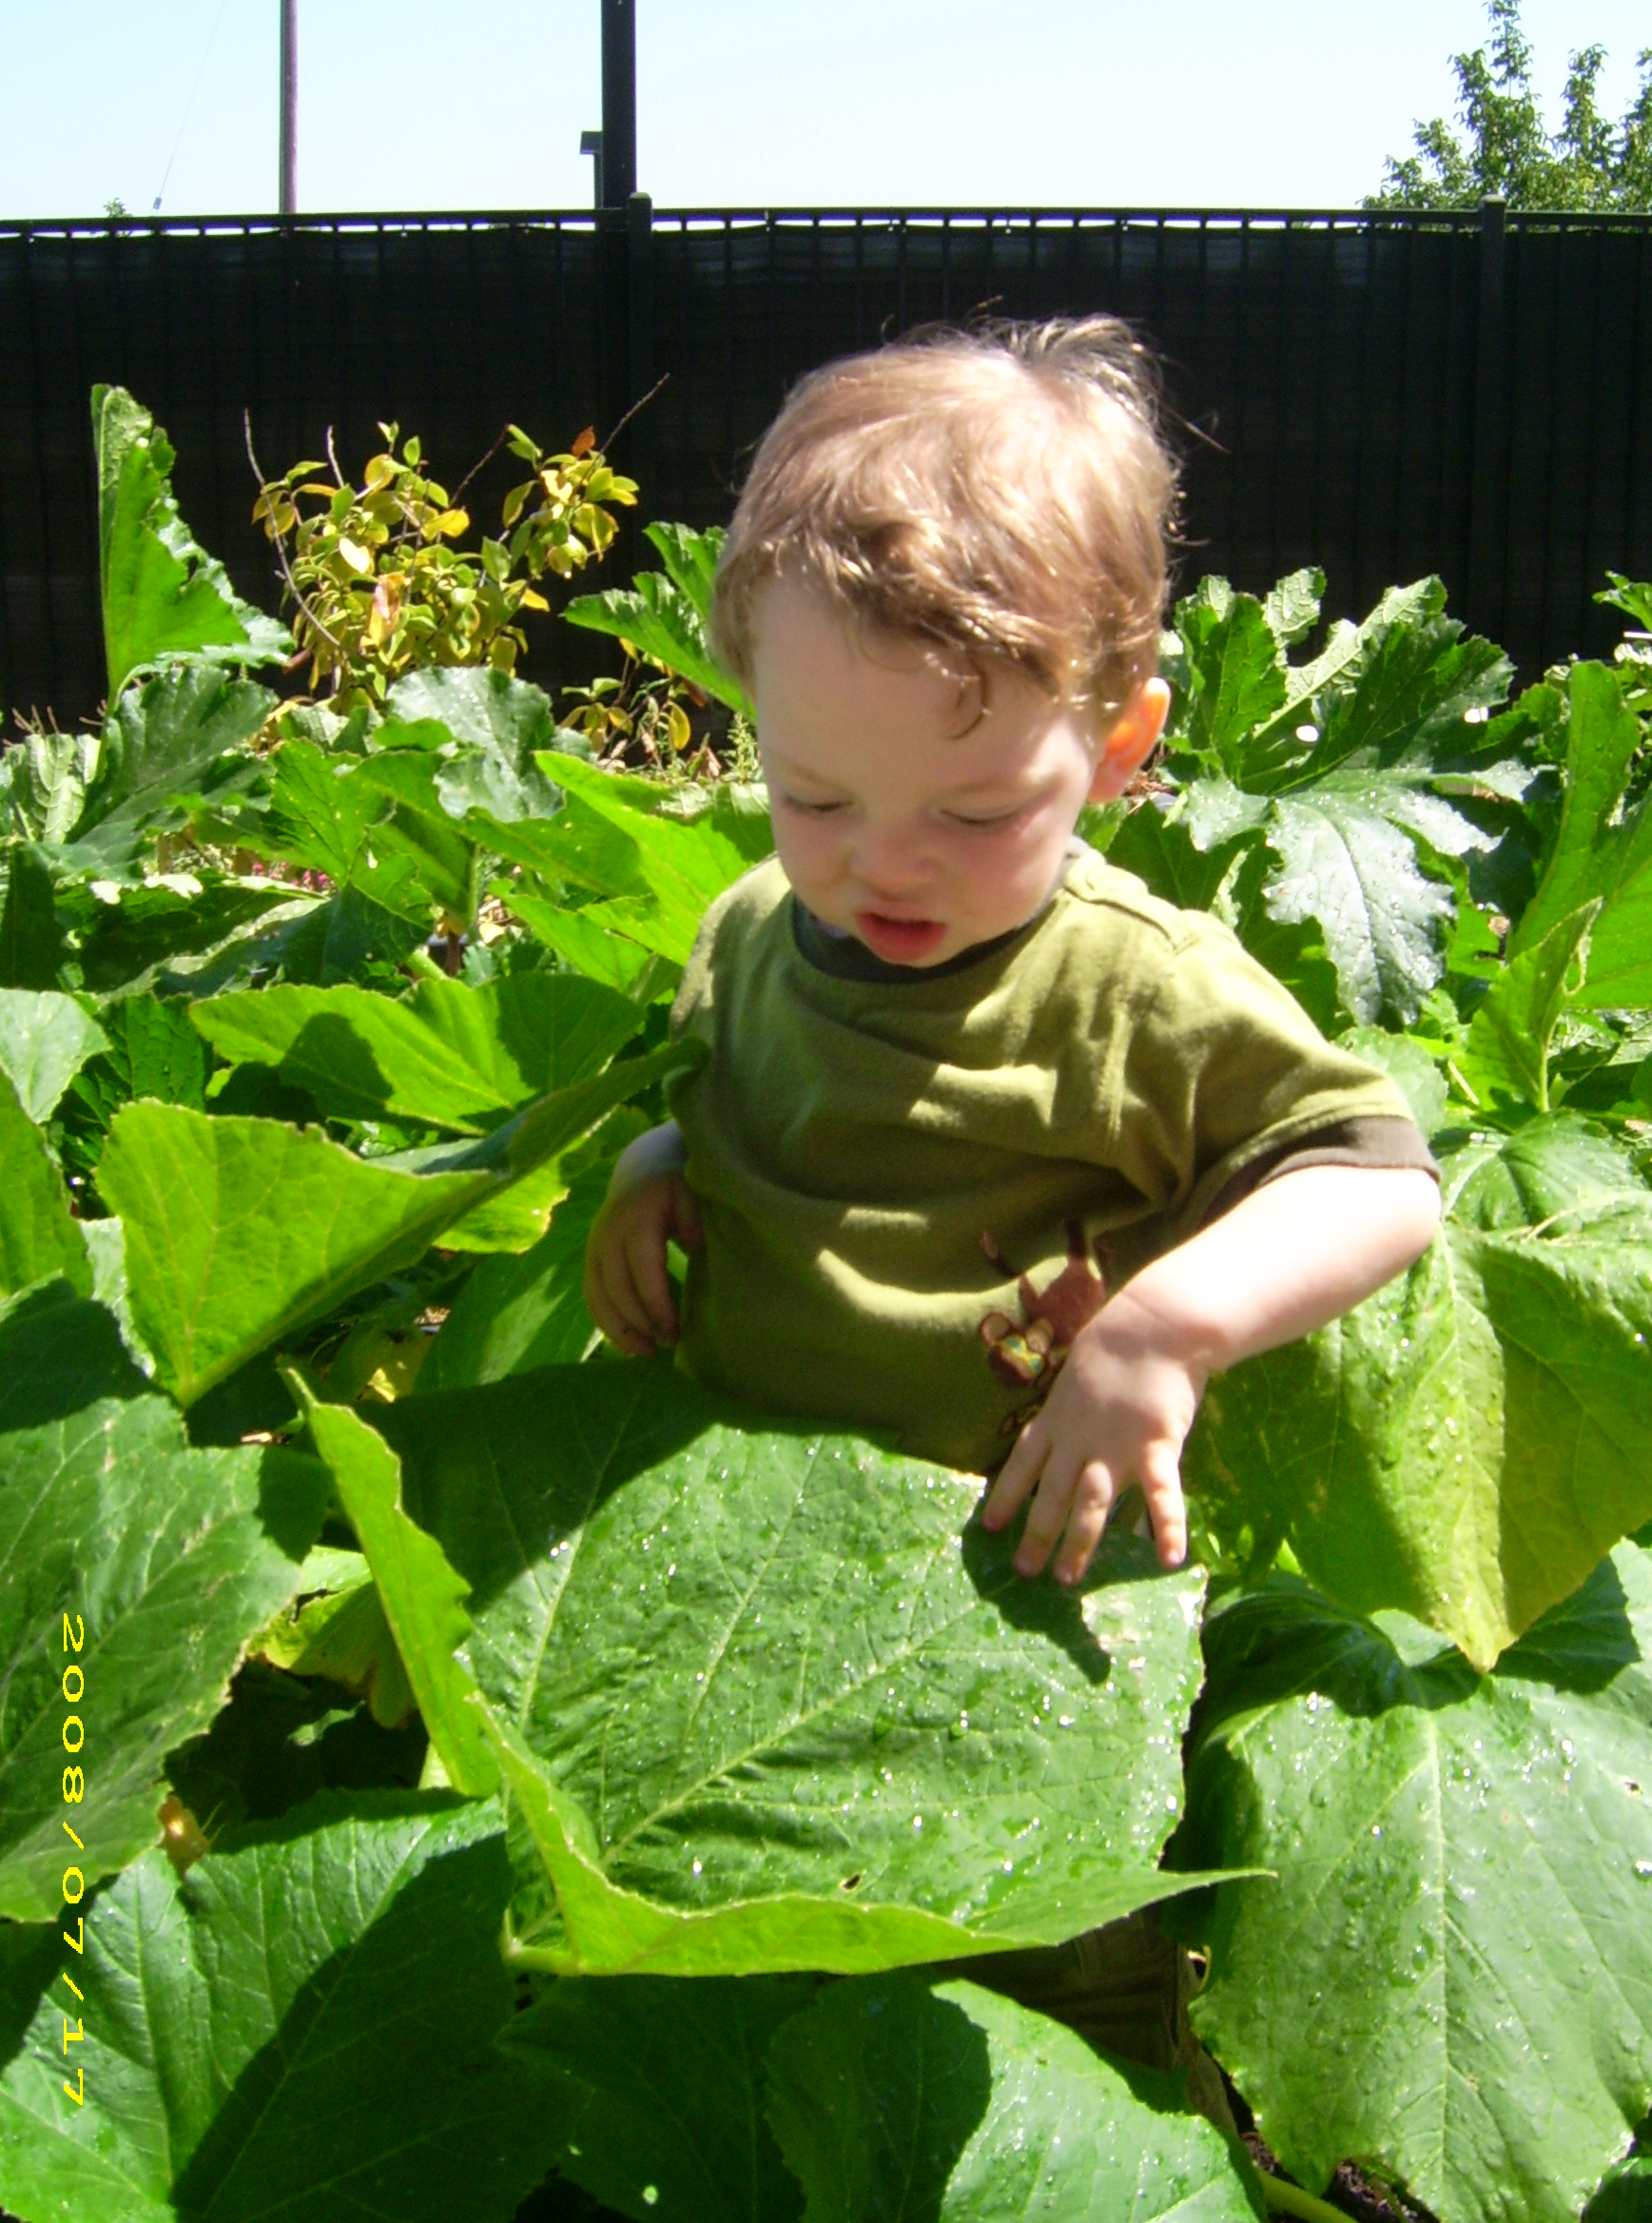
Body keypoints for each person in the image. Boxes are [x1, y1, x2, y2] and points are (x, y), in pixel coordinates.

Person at [583, 317, 1441, 1589]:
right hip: (738, 1559)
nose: (885, 863)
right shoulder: (750, 930)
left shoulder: (1133, 986)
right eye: (814, 795)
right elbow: (742, 1111)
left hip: (1010, 1580)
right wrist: (663, 1164)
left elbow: (1382, 1182)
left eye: (975, 814)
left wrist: (1164, 1334)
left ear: (1115, 746)